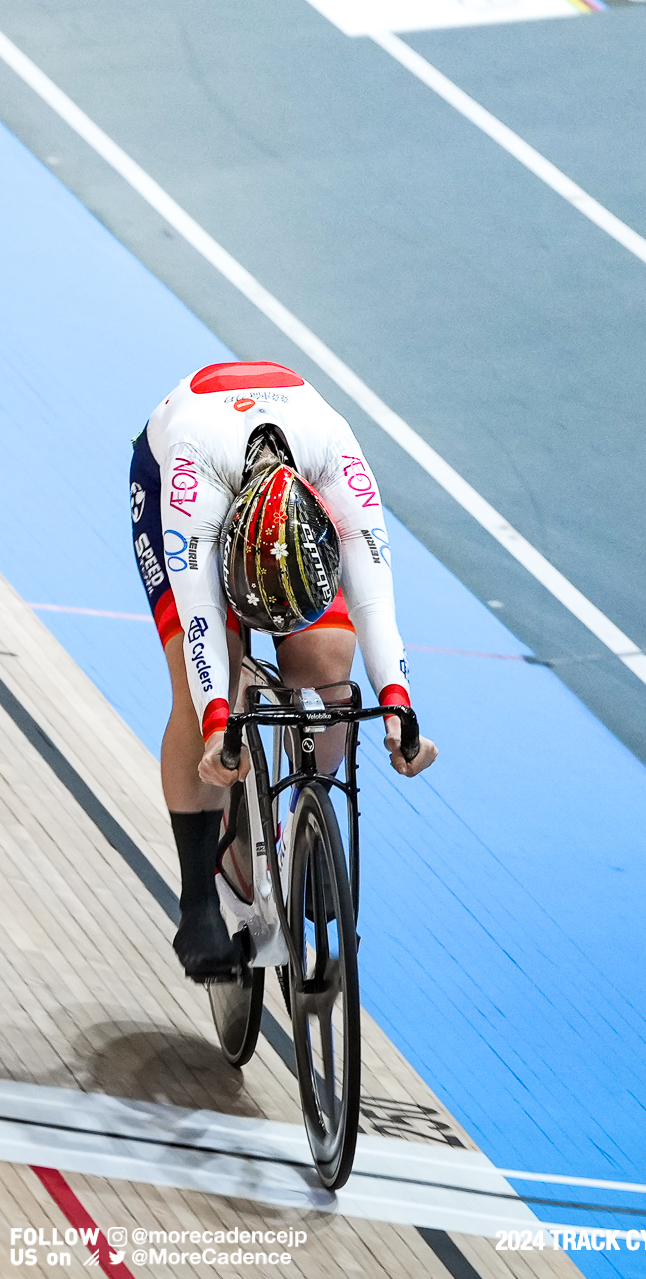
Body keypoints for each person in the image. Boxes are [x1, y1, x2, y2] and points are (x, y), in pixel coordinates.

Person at [129, 361, 439, 980]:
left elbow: (375, 596)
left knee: (328, 664)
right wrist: (220, 724)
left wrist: (400, 706)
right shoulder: (195, 480)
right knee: (207, 697)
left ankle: (307, 817)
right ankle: (197, 896)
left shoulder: (335, 456)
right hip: (181, 482)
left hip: (291, 498)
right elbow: (201, 621)